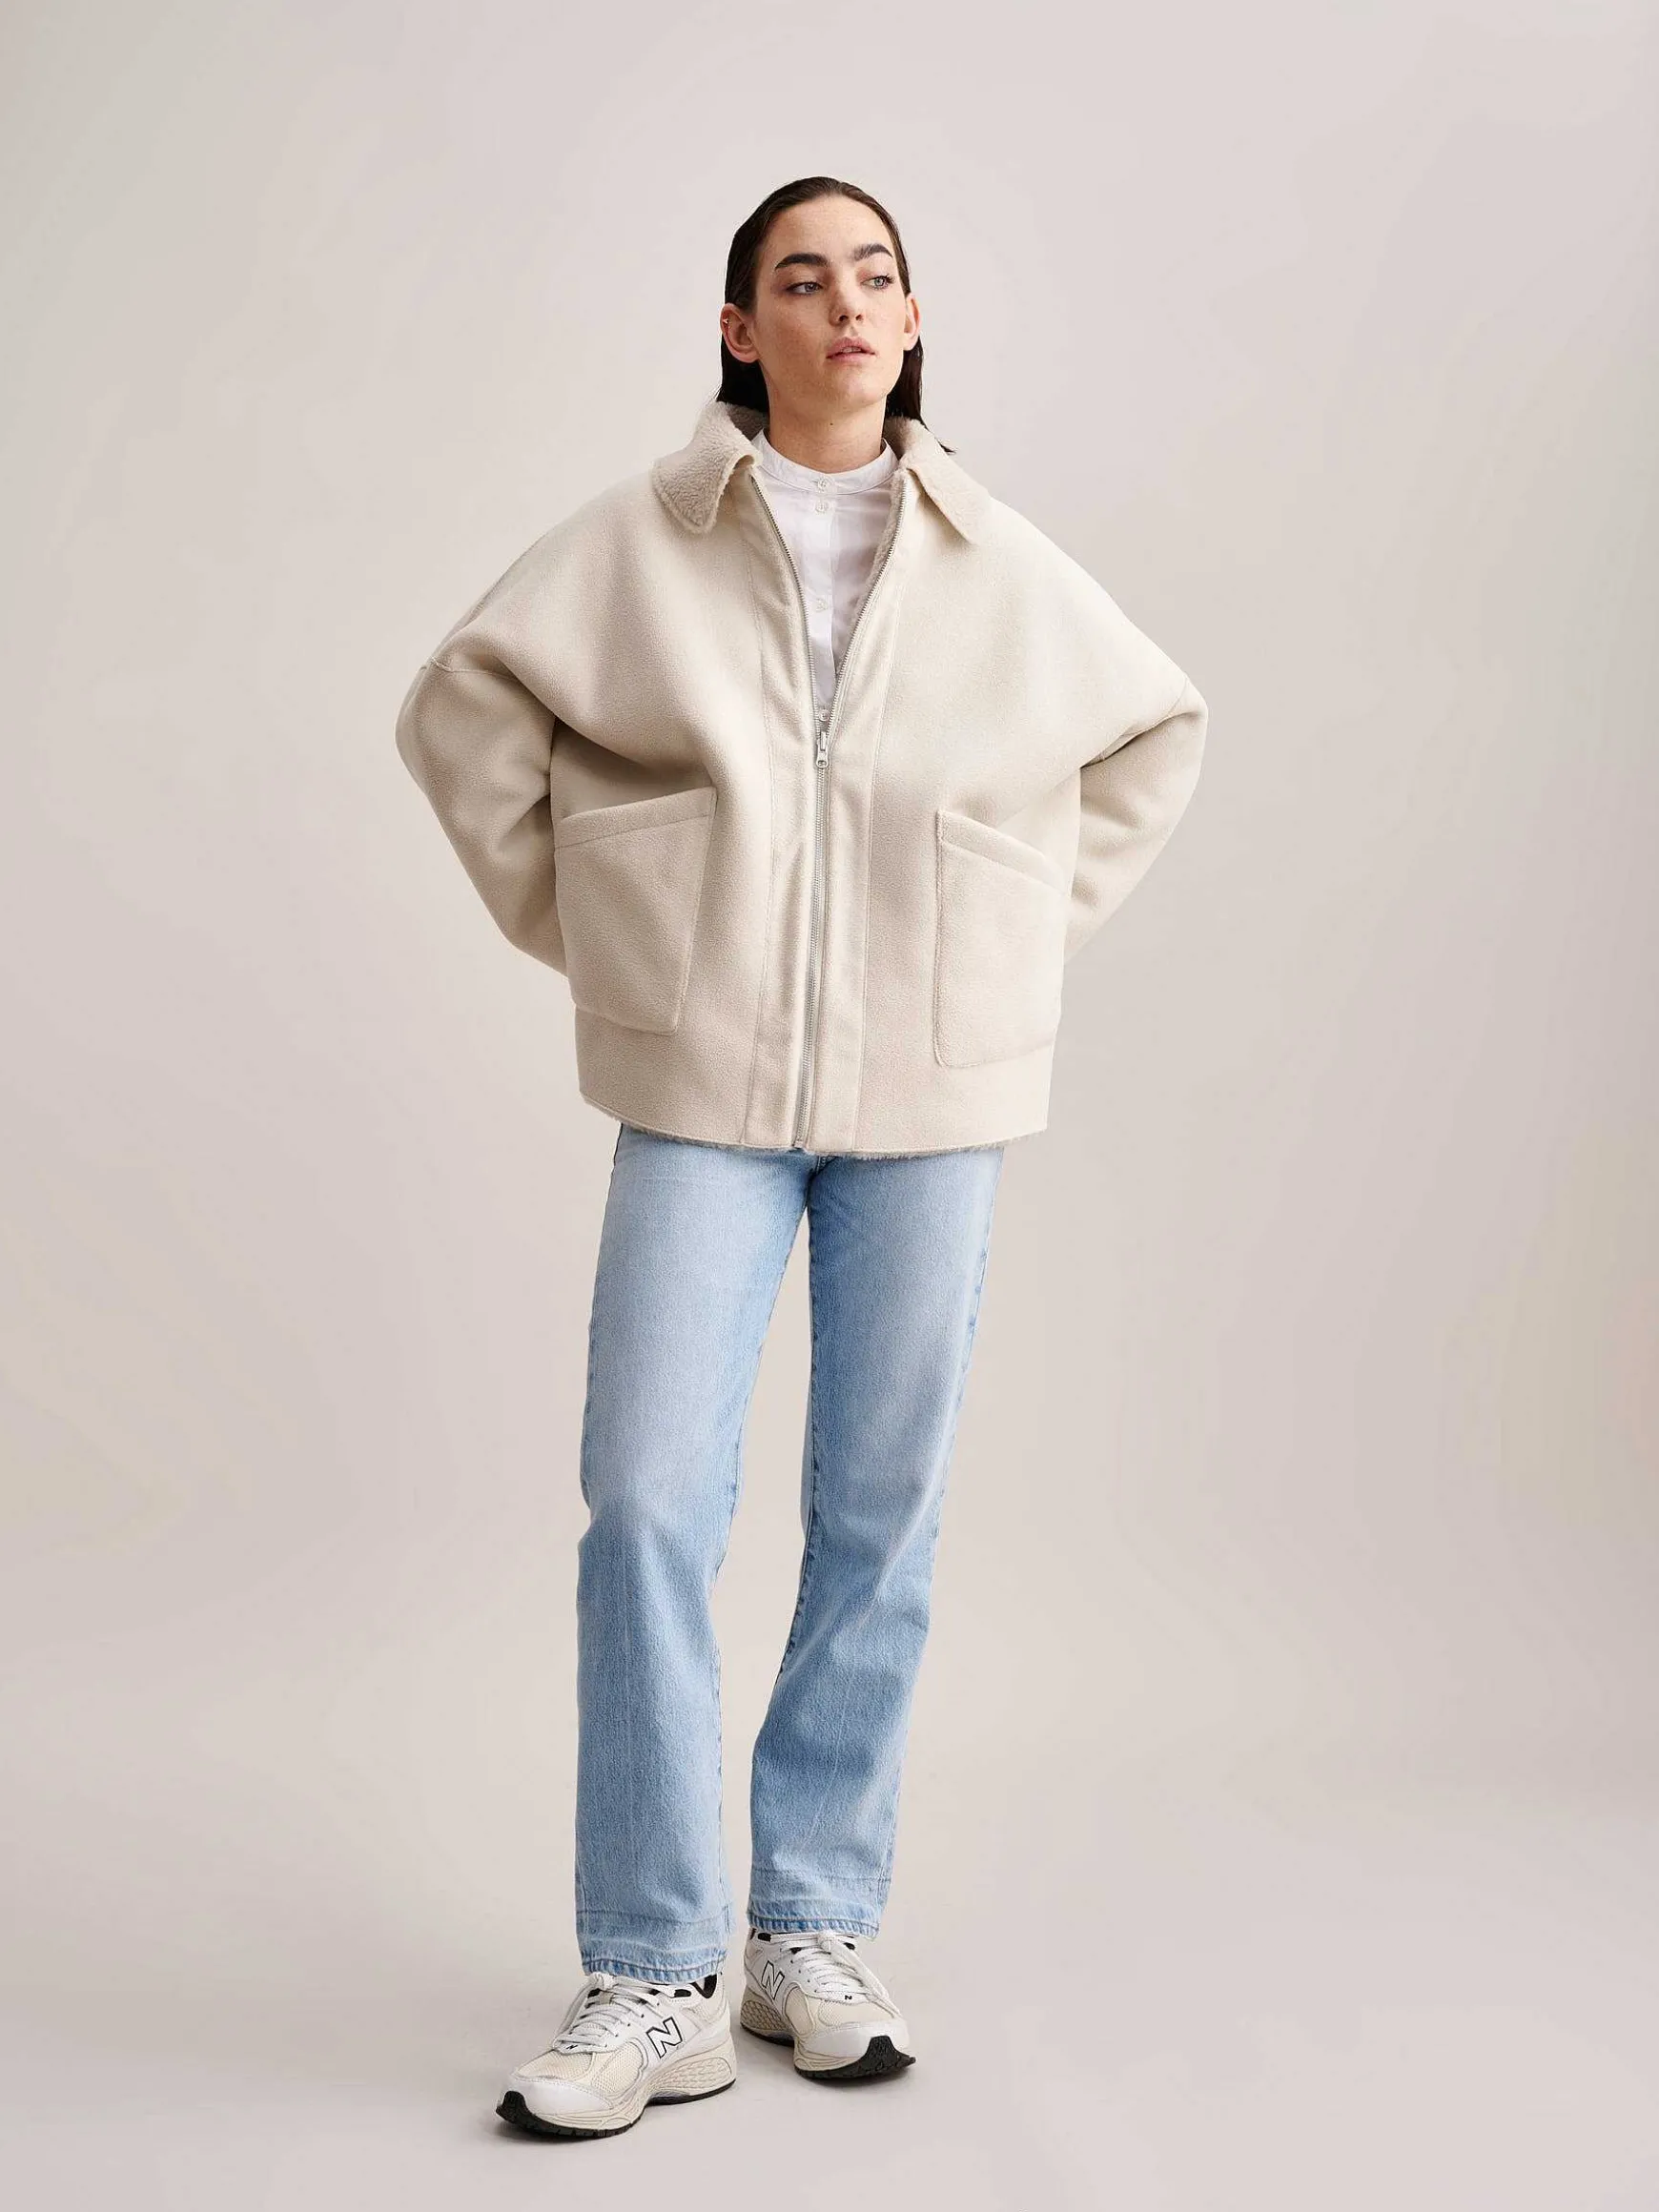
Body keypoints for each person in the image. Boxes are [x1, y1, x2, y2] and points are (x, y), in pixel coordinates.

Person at [394, 174, 1208, 2140]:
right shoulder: (649, 536)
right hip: (705, 1091)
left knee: (880, 1515)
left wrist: (995, 942)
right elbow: (462, 711)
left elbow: (1155, 734)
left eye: (877, 273)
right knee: (647, 1499)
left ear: (912, 321)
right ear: (739, 327)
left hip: (935, 1101)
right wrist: (626, 931)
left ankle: (812, 1930)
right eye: (800, 276)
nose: (847, 301)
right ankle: (653, 1965)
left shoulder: (993, 554)